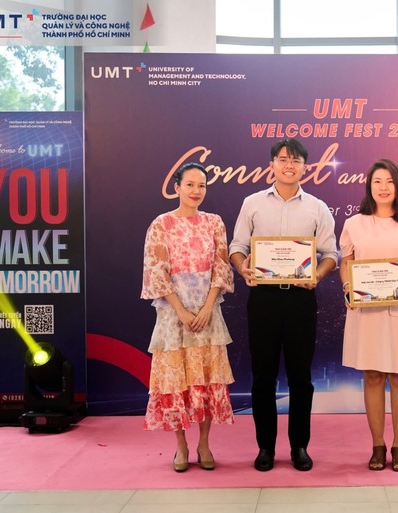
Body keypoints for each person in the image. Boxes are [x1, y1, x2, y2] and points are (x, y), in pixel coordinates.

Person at [229, 138, 338, 472]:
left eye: (296, 161)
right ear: (272, 165)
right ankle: (265, 447)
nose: (289, 165)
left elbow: (331, 254)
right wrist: (243, 267)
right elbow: (237, 247)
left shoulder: (317, 207)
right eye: (283, 159)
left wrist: (318, 274)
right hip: (263, 299)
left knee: (300, 377)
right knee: (262, 377)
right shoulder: (252, 203)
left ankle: (299, 446)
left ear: (305, 167)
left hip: (300, 298)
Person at [141, 162, 235, 472]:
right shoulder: (161, 224)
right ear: (177, 187)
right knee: (176, 382)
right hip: (173, 316)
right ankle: (180, 446)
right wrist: (181, 311)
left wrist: (207, 307)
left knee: (206, 379)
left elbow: (221, 267)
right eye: (190, 185)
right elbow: (156, 271)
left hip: (208, 314)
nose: (196, 191)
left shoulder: (214, 222)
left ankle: (204, 443)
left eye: (202, 185)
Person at [339, 159, 398, 472]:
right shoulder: (355, 223)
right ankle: (378, 445)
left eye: (389, 181)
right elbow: (346, 262)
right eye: (377, 181)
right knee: (373, 376)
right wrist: (348, 289)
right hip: (367, 313)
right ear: (369, 186)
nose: (383, 187)